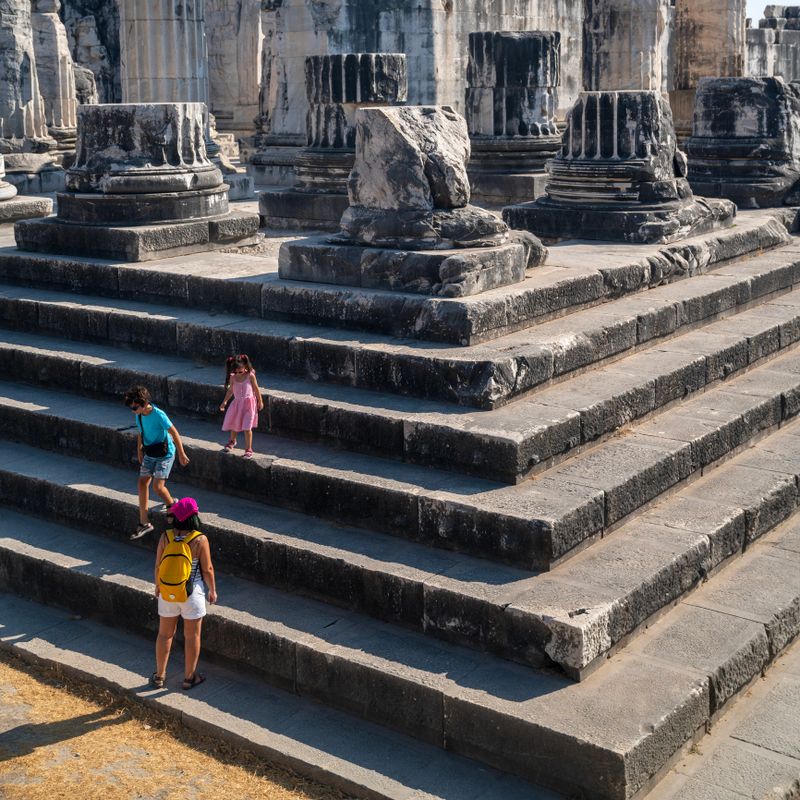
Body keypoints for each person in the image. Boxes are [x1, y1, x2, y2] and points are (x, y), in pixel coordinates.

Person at [150, 497, 217, 691]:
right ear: (194, 517)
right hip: (191, 592)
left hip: (168, 591)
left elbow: (158, 565)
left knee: (164, 634)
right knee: (192, 636)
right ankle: (189, 678)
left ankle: (159, 675)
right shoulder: (200, 539)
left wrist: (158, 586)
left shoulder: (165, 537)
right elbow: (208, 569)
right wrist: (212, 590)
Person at [124, 386, 190, 539]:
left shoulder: (159, 415)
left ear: (144, 403)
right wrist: (139, 450)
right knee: (142, 483)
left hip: (165, 454)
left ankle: (173, 505)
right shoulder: (139, 415)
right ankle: (144, 523)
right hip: (150, 452)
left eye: (134, 407)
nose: (132, 411)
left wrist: (182, 454)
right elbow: (141, 433)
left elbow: (174, 432)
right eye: (131, 408)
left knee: (158, 487)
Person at [219, 353, 264, 458]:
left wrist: (260, 401)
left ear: (245, 366)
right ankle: (232, 441)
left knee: (247, 428)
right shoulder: (233, 378)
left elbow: (256, 389)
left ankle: (248, 449)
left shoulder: (250, 376)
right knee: (235, 424)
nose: (238, 374)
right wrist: (225, 401)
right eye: (235, 372)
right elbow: (230, 391)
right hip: (237, 405)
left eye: (240, 371)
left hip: (249, 406)